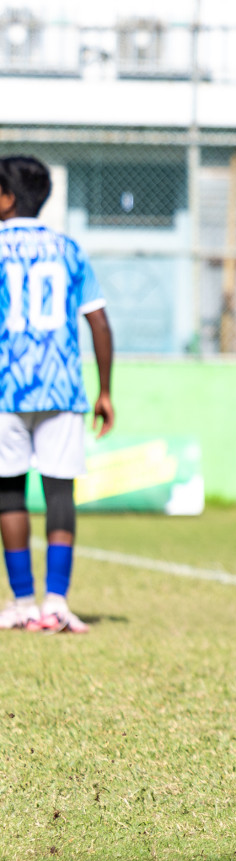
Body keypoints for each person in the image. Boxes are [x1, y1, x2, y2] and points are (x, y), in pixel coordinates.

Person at [0, 156, 114, 634]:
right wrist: (105, 389)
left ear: (6, 199)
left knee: (8, 492)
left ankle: (23, 602)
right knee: (60, 490)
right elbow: (99, 322)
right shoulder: (69, 249)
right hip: (62, 388)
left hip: (4, 389)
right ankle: (56, 603)